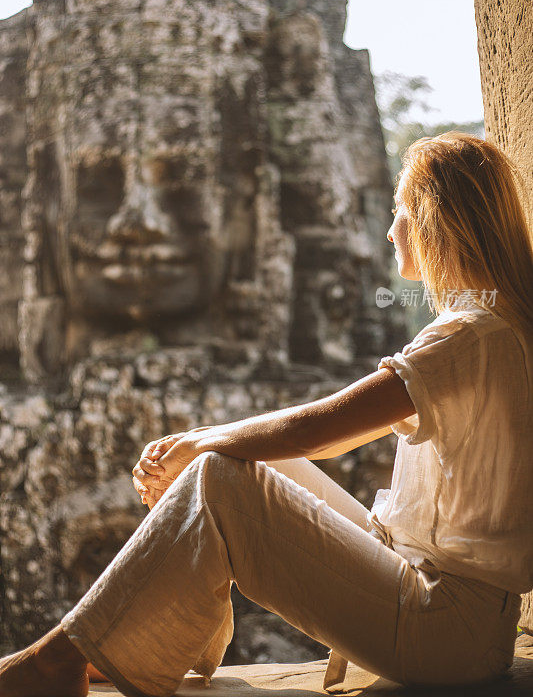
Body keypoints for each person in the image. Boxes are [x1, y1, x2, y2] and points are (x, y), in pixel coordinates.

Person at [0, 131, 531, 697]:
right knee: (252, 466)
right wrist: (207, 442)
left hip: (444, 629)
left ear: (435, 224)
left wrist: (200, 443)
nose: (390, 229)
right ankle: (130, 643)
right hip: (457, 614)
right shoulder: (495, 329)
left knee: (221, 477)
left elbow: (321, 431)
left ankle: (60, 655)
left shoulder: (472, 336)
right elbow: (304, 441)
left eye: (401, 213)